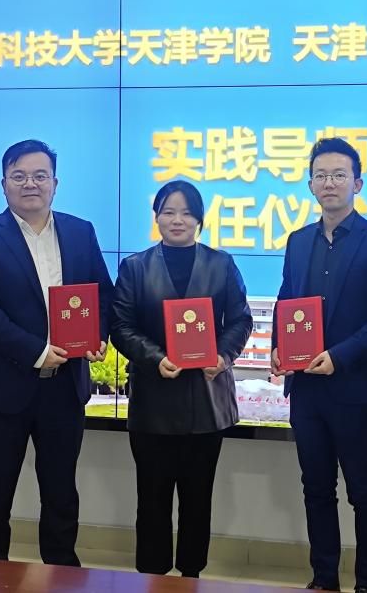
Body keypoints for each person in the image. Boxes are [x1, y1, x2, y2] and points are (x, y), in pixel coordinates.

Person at [0, 139, 113, 566]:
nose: (31, 184)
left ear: (55, 183)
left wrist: (97, 335)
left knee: (61, 491)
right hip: (2, 389)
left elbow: (102, 294)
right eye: (20, 176)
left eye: (40, 175)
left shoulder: (80, 231)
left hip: (64, 388)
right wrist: (36, 351)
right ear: (4, 184)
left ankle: (62, 572)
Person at [272, 137, 367, 593]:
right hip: (306, 390)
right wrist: (278, 347)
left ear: (357, 183)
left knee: (363, 491)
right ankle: (324, 578)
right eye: (321, 175)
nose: (329, 183)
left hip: (354, 387)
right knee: (315, 488)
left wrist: (340, 355)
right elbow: (287, 300)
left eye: (339, 175)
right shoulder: (297, 241)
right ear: (310, 184)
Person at [111, 180, 253, 579]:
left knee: (198, 499)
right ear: (156, 217)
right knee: (151, 499)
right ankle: (151, 576)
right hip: (153, 403)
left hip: (205, 402)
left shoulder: (221, 264)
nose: (178, 220)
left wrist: (223, 355)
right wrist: (155, 358)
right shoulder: (135, 267)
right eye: (168, 212)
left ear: (199, 219)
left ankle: (191, 575)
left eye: (187, 213)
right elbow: (120, 326)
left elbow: (240, 319)